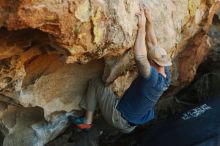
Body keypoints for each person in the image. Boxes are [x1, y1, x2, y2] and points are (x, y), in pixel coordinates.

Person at [70, 7, 172, 133]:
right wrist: (149, 21)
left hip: (120, 119)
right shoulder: (166, 75)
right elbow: (153, 45)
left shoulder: (152, 78)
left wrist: (141, 28)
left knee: (96, 82)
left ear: (152, 62)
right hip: (132, 123)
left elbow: (140, 57)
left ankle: (87, 122)